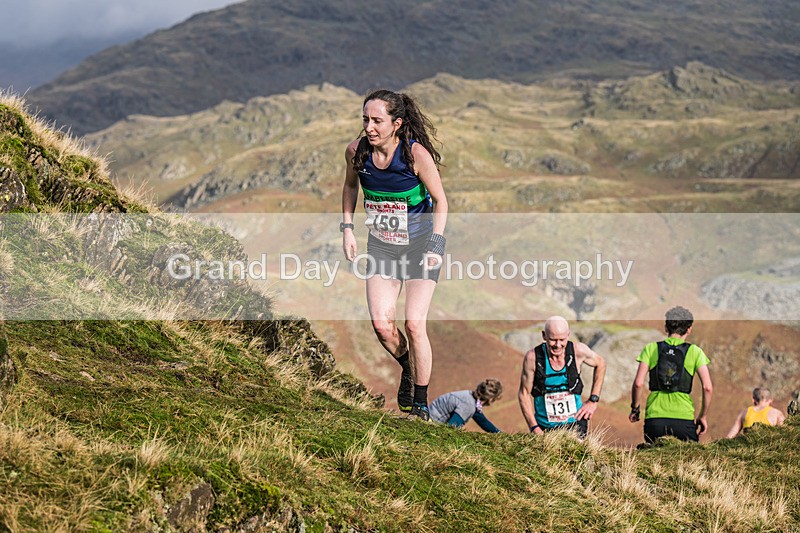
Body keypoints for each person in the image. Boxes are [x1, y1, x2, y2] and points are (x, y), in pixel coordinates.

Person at [341, 89, 448, 421]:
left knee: (414, 325)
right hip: (383, 248)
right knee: (381, 325)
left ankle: (420, 404)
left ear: (397, 124)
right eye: (365, 120)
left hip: (419, 248)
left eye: (377, 121)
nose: (369, 128)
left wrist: (436, 245)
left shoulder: (415, 156)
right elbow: (349, 187)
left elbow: (442, 202)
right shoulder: (356, 152)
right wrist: (347, 228)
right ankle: (407, 366)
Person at [629, 306, 713, 444]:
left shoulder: (651, 348)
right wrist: (702, 416)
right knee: (688, 460)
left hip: (655, 419)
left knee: (655, 459)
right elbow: (708, 387)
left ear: (666, 328)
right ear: (689, 329)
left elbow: (638, 383)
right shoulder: (695, 351)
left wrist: (635, 408)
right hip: (683, 419)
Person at [518, 316, 606, 438]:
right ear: (544, 336)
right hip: (544, 428)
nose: (558, 345)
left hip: (575, 424)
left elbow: (601, 363)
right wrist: (534, 427)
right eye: (553, 340)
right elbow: (524, 393)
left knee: (577, 456)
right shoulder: (532, 358)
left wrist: (593, 400)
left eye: (562, 340)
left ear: (568, 335)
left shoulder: (578, 351)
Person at [429, 379, 504, 433]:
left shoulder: (470, 397)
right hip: (432, 425)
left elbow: (483, 421)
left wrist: (501, 435)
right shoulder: (469, 405)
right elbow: (450, 429)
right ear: (490, 399)